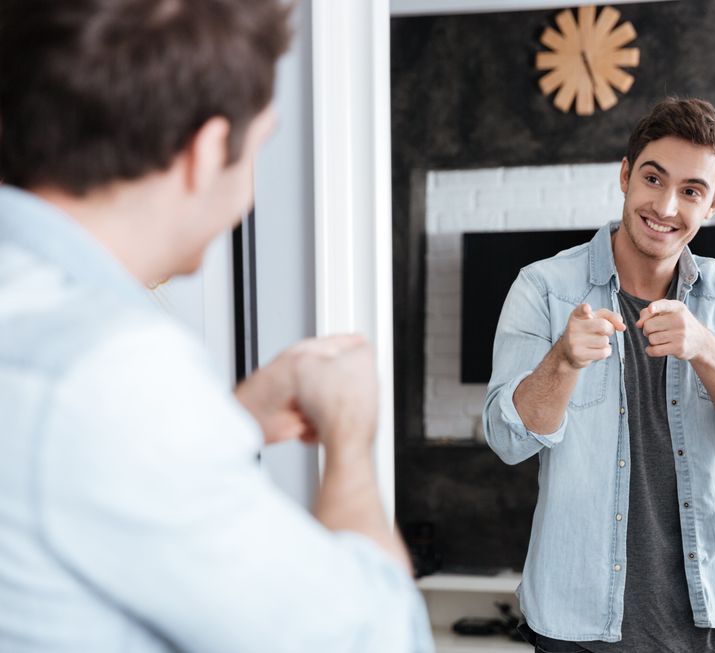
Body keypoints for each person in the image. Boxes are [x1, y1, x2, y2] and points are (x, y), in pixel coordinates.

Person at [0, 1, 432, 651]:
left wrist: (235, 416)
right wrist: (349, 440)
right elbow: (377, 639)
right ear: (205, 154)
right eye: (259, 144)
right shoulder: (111, 372)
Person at [483, 98, 715, 653]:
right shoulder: (543, 288)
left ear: (714, 202)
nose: (666, 205)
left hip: (711, 626)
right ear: (626, 175)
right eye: (653, 178)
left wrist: (704, 347)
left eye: (692, 191)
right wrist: (564, 360)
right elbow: (508, 439)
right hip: (579, 629)